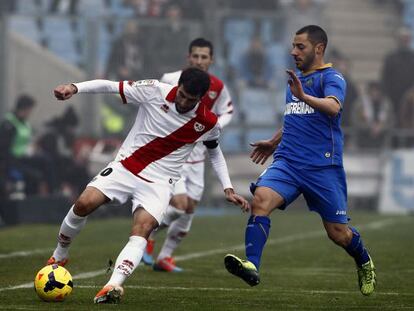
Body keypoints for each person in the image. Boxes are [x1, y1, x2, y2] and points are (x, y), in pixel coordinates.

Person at [47, 67, 249, 304]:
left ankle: (112, 286)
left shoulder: (208, 122)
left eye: (190, 99)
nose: (183, 102)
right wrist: (74, 87)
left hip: (159, 182)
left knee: (143, 228)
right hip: (125, 167)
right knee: (83, 203)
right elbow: (111, 86)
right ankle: (59, 256)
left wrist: (228, 187)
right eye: (181, 94)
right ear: (178, 86)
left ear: (201, 98)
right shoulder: (154, 90)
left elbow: (214, 152)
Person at [224, 25, 376, 296]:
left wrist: (304, 96)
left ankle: (363, 260)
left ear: (318, 49)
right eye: (293, 46)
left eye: (300, 47)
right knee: (260, 200)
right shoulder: (295, 79)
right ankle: (252, 265)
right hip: (289, 162)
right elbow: (297, 117)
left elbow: (333, 107)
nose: (293, 51)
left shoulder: (332, 78)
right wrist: (273, 142)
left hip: (322, 167)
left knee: (338, 233)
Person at [142, 38, 234, 272]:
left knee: (189, 209)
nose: (200, 61)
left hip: (198, 155)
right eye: (196, 56)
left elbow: (228, 111)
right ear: (188, 57)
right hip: (172, 154)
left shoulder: (218, 86)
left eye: (204, 57)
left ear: (211, 60)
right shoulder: (170, 79)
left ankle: (165, 257)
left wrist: (214, 127)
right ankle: (146, 234)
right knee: (180, 205)